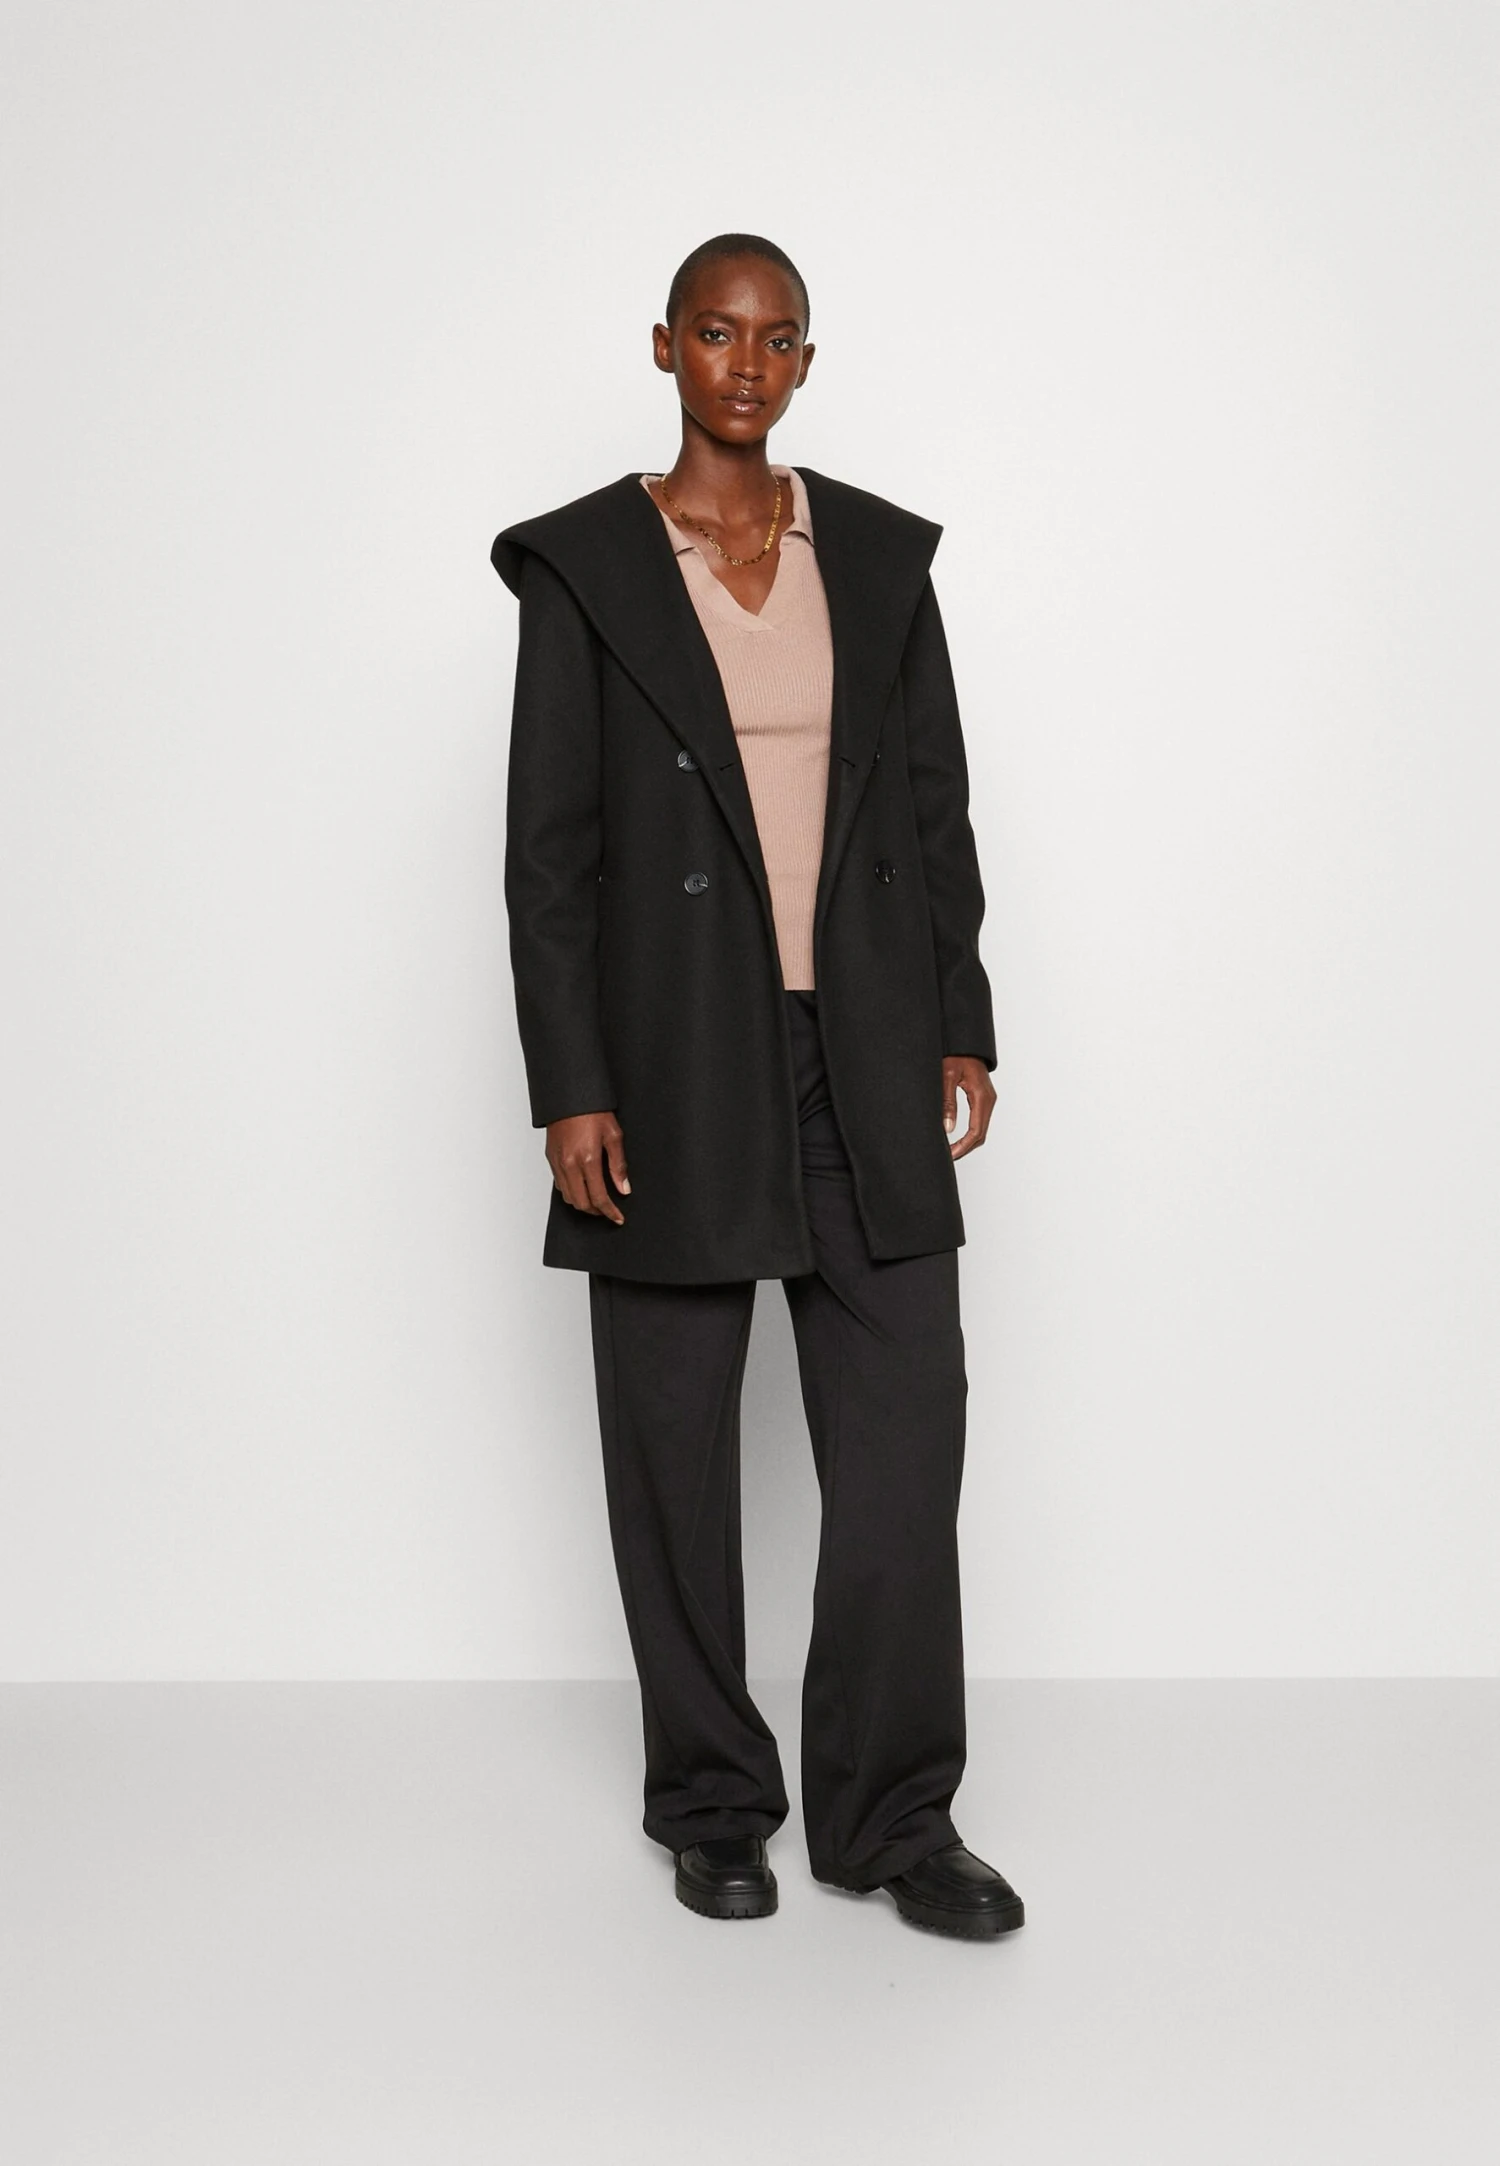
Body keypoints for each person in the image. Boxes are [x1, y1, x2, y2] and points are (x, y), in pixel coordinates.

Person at [489, 234, 1024, 1940]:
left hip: (859, 1047)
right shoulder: (586, 569)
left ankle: (891, 1814)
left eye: (776, 337)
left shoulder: (873, 554)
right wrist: (570, 1083)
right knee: (673, 1452)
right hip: (669, 1061)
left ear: (806, 360)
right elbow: (548, 857)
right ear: (665, 346)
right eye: (716, 332)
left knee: (905, 1432)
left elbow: (932, 805)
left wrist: (959, 1014)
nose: (745, 362)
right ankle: (714, 1802)